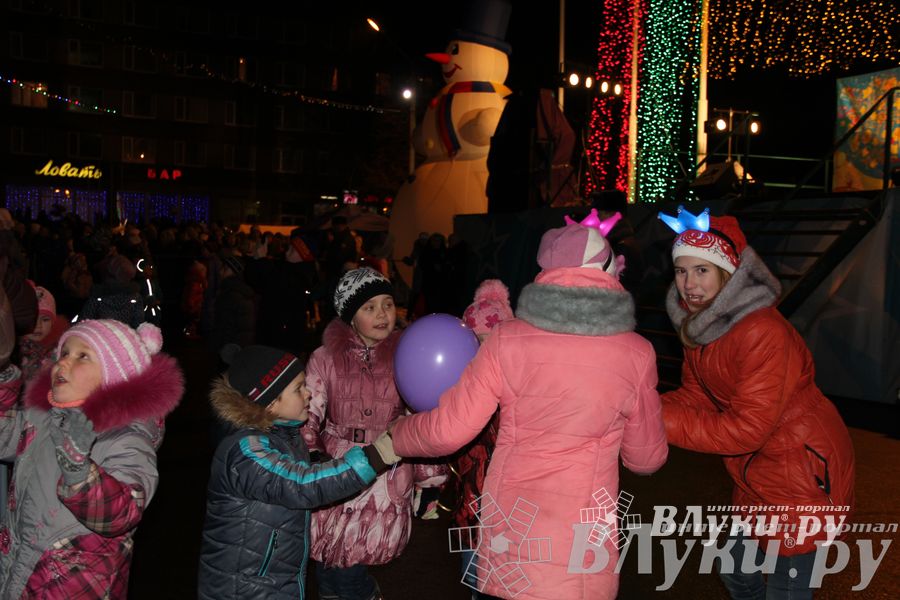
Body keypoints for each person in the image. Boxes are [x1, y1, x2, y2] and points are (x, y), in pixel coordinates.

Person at [390, 221, 669, 600]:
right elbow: (646, 459)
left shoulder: (507, 339)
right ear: (609, 274)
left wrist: (398, 435)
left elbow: (448, 431)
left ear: (545, 274)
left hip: (513, 538)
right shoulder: (636, 352)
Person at [656, 208, 855, 599]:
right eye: (682, 271)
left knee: (787, 590)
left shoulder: (762, 331)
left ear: (727, 275)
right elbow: (697, 396)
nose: (689, 284)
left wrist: (653, 417)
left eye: (702, 271)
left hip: (800, 474)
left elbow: (747, 430)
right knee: (736, 574)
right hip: (755, 474)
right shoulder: (702, 325)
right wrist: (643, 406)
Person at [196, 344, 401, 599]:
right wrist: (378, 454)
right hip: (244, 589)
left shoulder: (286, 436)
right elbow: (302, 483)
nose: (309, 395)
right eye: (298, 389)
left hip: (273, 582)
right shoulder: (245, 451)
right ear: (270, 403)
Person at [0, 318, 184, 598]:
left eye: (82, 356)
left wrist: (79, 471)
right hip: (16, 570)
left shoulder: (127, 440)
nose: (63, 363)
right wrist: (3, 381)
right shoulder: (41, 419)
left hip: (70, 586)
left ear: (114, 376)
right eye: (63, 353)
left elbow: (122, 514)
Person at [301, 267, 446, 600]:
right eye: (370, 308)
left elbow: (422, 420)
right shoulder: (325, 358)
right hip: (334, 467)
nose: (382, 314)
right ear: (351, 317)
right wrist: (310, 453)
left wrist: (430, 480)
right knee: (327, 567)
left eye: (388, 304)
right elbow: (309, 409)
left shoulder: (408, 357)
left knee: (352, 568)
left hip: (386, 471)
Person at [455, 279, 514, 599]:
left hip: (513, 512)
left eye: (491, 340)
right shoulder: (460, 387)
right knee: (473, 579)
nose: (484, 350)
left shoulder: (522, 391)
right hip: (472, 507)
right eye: (477, 341)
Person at [18, 284, 69, 381]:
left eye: (45, 319)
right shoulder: (14, 351)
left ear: (53, 323)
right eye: (33, 319)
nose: (38, 325)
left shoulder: (61, 349)